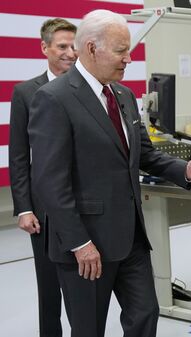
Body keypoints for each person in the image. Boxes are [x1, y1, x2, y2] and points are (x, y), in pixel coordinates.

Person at [27, 10, 191, 337]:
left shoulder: (123, 96)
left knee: (145, 315)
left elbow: (143, 154)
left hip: (130, 238)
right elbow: (50, 182)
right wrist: (79, 243)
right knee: (88, 328)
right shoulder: (53, 99)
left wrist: (184, 170)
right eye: (121, 51)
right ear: (92, 49)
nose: (129, 59)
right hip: (85, 244)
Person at [9, 17, 77, 337]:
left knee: (85, 286)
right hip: (44, 209)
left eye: (73, 46)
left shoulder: (87, 88)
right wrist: (24, 208)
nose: (70, 53)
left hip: (85, 203)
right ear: (44, 48)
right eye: (62, 46)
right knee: (49, 289)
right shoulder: (25, 93)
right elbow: (19, 155)